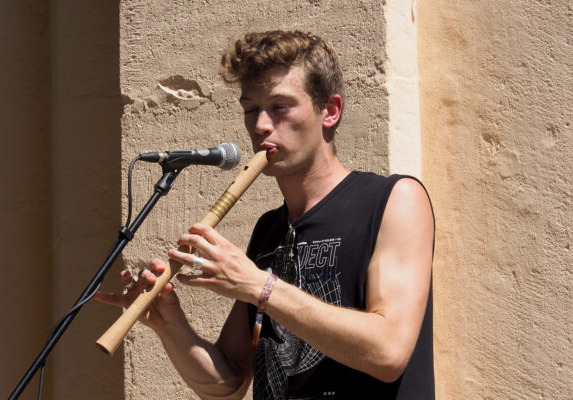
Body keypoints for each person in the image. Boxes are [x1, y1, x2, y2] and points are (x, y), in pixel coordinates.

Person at [96, 30, 435, 399]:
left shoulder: (394, 200)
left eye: (280, 107)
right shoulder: (270, 230)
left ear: (331, 110)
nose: (260, 126)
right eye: (250, 109)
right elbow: (228, 384)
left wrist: (260, 286)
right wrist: (171, 325)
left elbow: (389, 352)